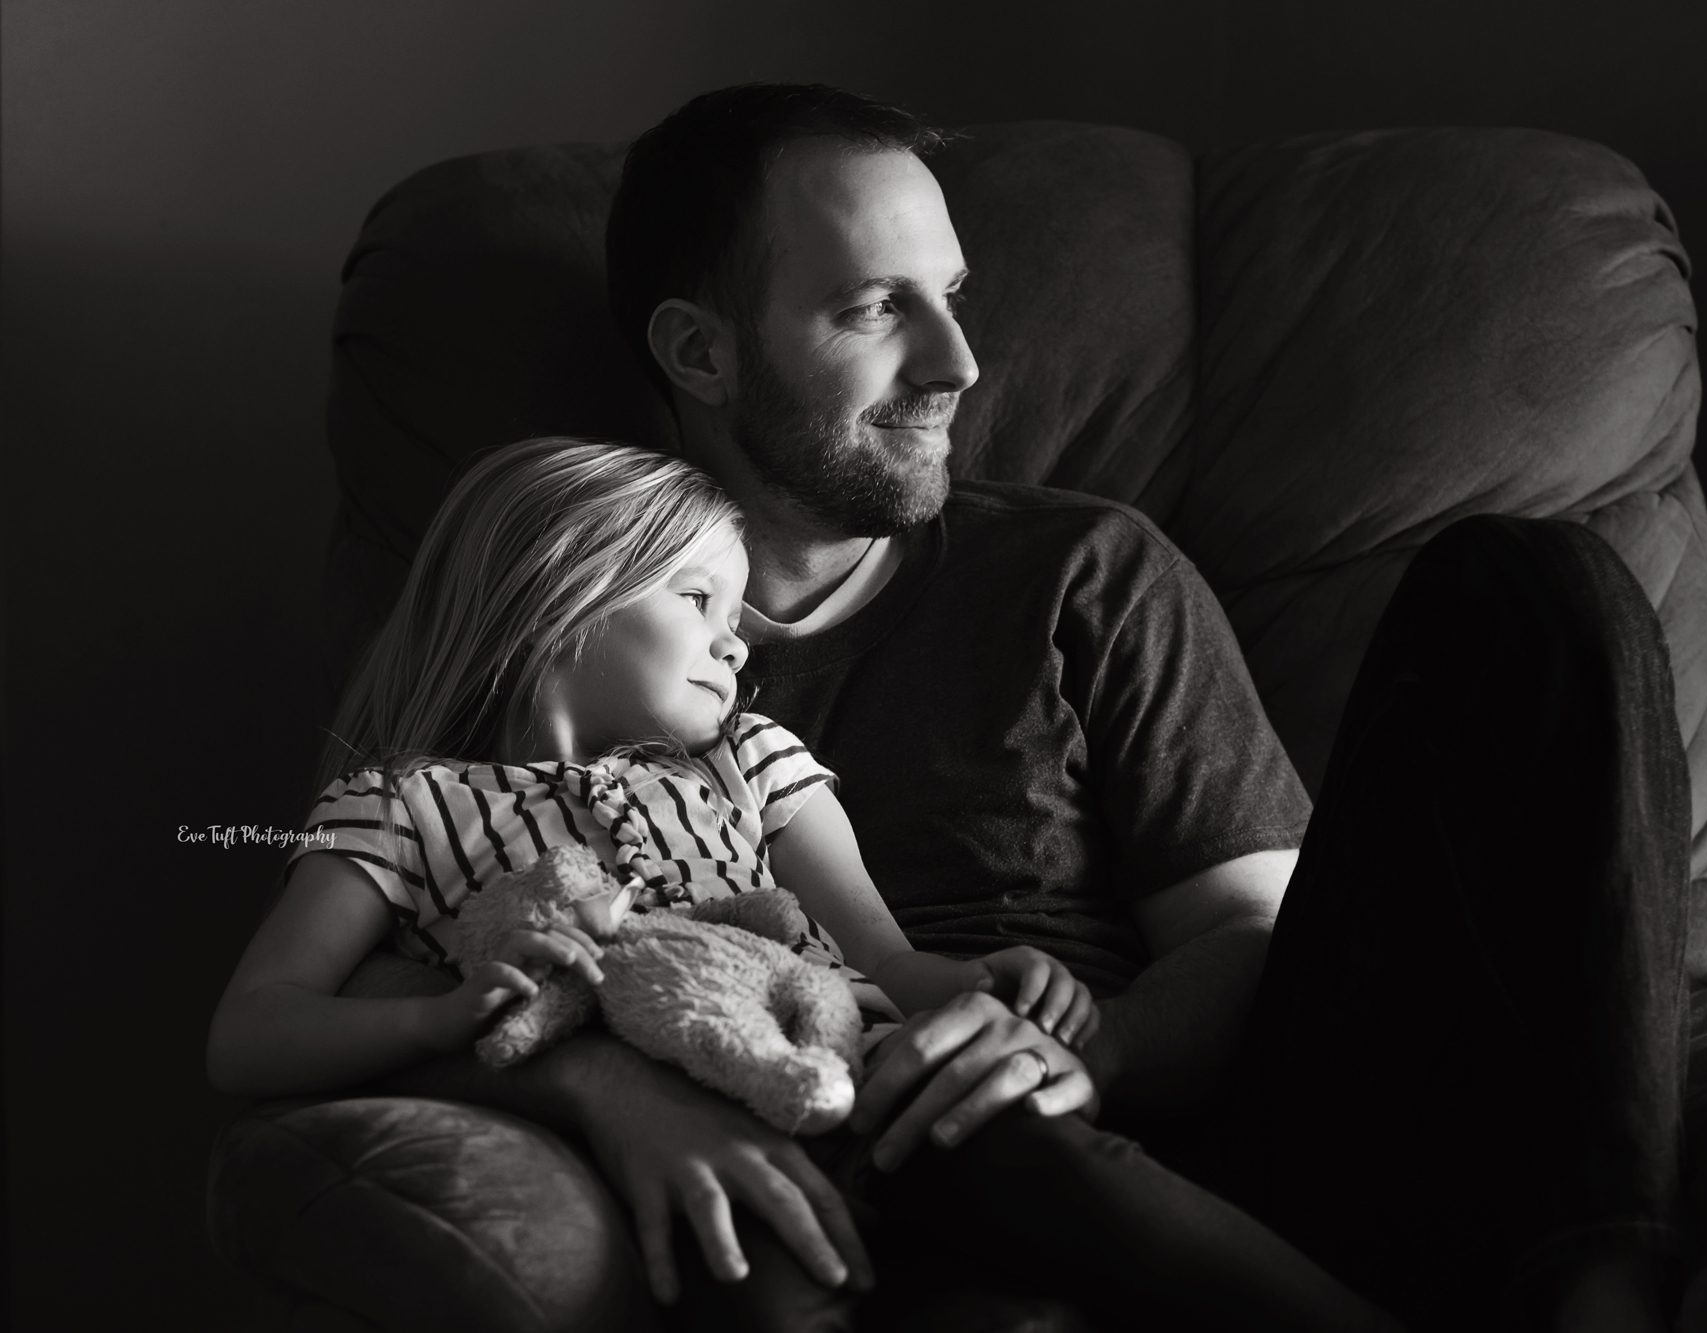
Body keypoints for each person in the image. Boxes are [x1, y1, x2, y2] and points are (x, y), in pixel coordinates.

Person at [206, 435, 1401, 1333]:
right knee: (764, 1287)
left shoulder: (752, 761)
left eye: (739, 612)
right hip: (702, 1148)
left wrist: (1006, 985)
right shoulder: (401, 808)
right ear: (557, 597)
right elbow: (251, 1032)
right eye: (697, 600)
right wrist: (438, 1017)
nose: (738, 642)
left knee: (1046, 1161)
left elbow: (883, 959)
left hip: (863, 1084)